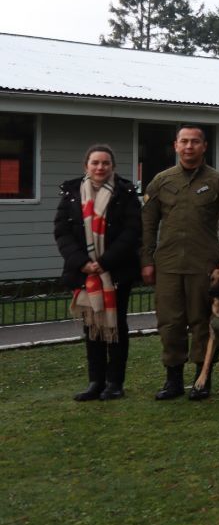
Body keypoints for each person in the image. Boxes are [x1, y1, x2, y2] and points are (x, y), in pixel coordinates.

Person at [141, 125, 219, 401]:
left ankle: (202, 379)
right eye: (184, 142)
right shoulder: (160, 182)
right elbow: (148, 225)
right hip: (168, 265)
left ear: (204, 146)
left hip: (204, 267)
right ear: (175, 145)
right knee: (170, 323)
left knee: (202, 323)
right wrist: (146, 260)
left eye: (195, 142)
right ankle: (172, 380)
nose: (189, 147)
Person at [55, 145, 142, 401]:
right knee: (92, 326)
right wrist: (83, 263)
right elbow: (62, 232)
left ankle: (115, 382)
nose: (100, 167)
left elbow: (132, 232)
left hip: (115, 271)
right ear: (86, 166)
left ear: (112, 166)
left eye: (105, 163)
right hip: (84, 274)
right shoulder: (71, 193)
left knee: (116, 326)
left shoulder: (125, 193)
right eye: (95, 163)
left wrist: (104, 261)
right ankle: (96, 382)